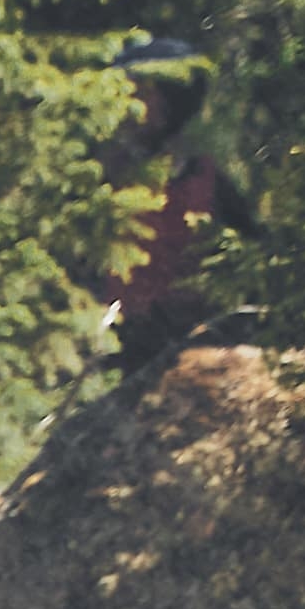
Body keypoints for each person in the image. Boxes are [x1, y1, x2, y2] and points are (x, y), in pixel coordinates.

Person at [104, 35, 255, 373]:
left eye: (140, 92)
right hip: (108, 350)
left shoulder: (206, 181)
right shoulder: (100, 176)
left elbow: (253, 259)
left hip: (191, 353)